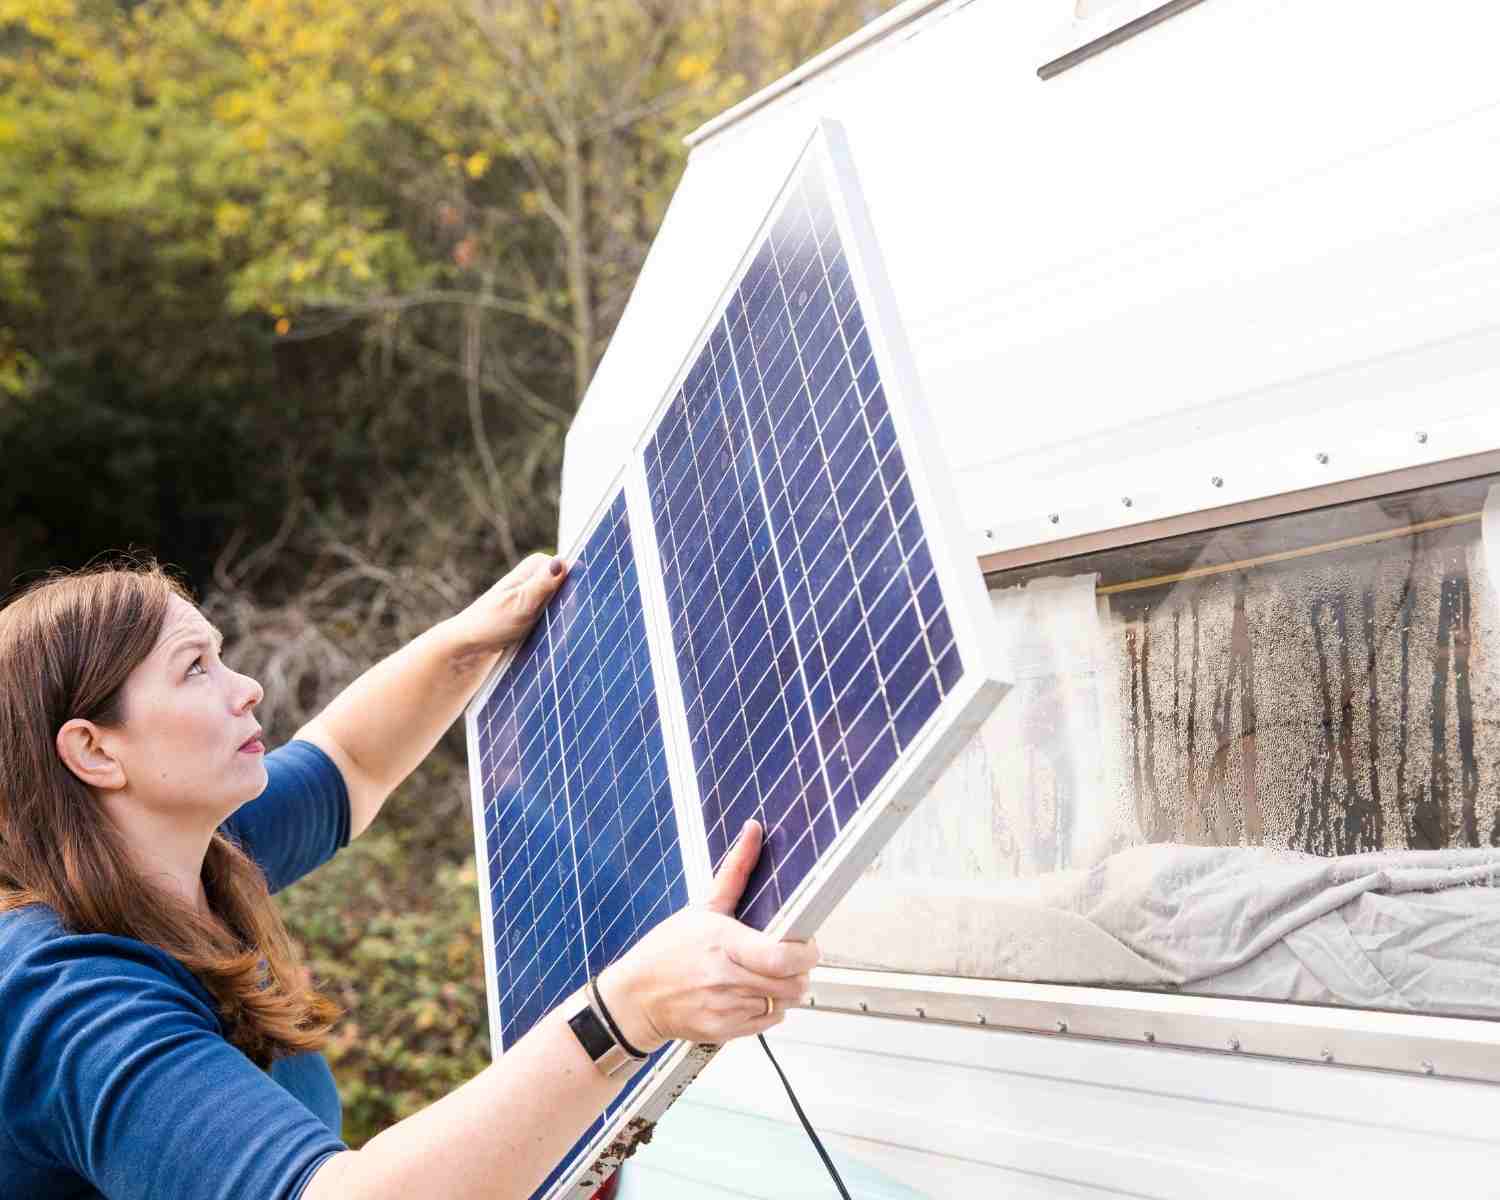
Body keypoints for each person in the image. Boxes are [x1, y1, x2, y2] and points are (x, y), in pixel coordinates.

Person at [0, 558, 817, 1200]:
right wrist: (623, 1014)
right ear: (95, 751)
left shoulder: (187, 850)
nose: (246, 688)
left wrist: (466, 643)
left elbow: (350, 759)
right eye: (194, 669)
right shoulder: (71, 1002)